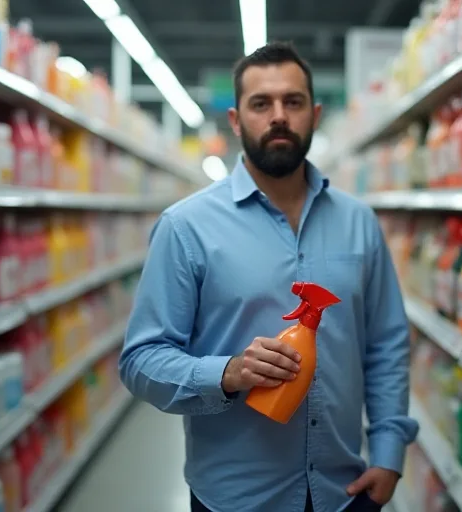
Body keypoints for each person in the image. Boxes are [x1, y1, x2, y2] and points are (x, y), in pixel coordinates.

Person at [119, 41, 418, 512]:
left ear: (314, 114)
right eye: (261, 103)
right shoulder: (186, 227)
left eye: (293, 102)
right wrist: (227, 372)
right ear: (236, 120)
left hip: (345, 492)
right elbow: (140, 361)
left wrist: (388, 452)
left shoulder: (359, 222)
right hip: (235, 497)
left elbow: (386, 345)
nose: (279, 115)